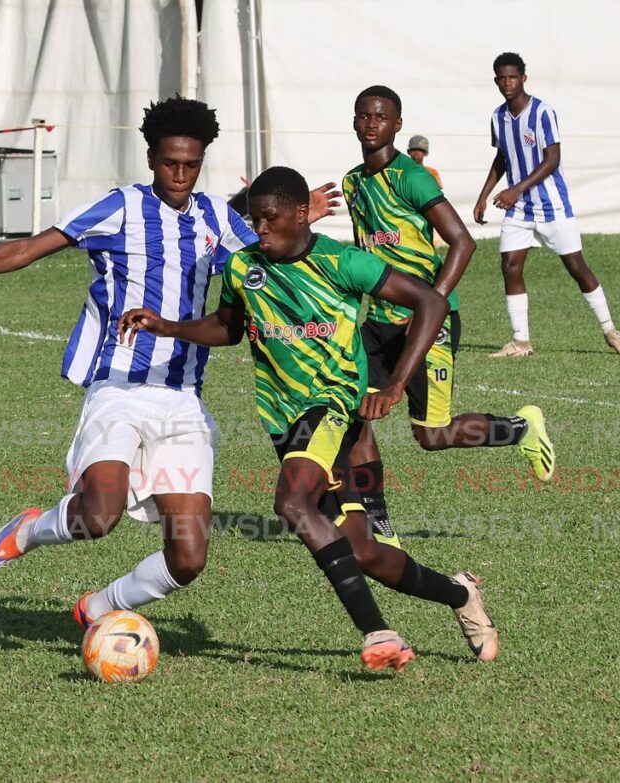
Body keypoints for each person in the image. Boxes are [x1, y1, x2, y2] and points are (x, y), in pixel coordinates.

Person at [0, 96, 341, 629]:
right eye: (171, 163)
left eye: (191, 165)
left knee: (188, 559)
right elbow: (27, 250)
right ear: (151, 158)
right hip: (118, 388)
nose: (180, 174)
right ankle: (25, 531)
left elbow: (279, 255)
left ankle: (97, 609)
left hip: (183, 401)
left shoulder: (218, 217)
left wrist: (298, 218)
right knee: (99, 516)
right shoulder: (120, 207)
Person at [120, 166, 499, 669]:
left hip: (331, 407)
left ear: (301, 214)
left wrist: (396, 383)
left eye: (271, 219)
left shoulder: (344, 263)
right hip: (284, 421)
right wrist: (167, 325)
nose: (260, 230)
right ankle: (459, 594)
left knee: (292, 502)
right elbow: (228, 327)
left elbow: (430, 301)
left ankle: (377, 632)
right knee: (366, 554)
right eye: (254, 220)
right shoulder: (243, 269)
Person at [342, 85, 554, 550]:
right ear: (355, 121)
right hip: (377, 322)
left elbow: (463, 242)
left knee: (432, 436)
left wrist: (430, 305)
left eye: (381, 116)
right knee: (359, 415)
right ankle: (378, 524)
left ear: (397, 125)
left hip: (428, 322)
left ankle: (520, 429)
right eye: (364, 115)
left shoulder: (411, 177)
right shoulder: (353, 183)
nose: (371, 123)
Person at [474, 52, 620, 358]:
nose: (507, 83)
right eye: (501, 78)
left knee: (576, 268)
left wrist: (514, 189)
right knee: (510, 265)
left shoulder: (543, 112)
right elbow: (502, 157)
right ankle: (521, 342)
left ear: (524, 78)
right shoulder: (498, 116)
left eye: (512, 77)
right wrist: (485, 195)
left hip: (552, 207)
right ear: (496, 81)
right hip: (520, 209)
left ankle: (610, 330)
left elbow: (552, 160)